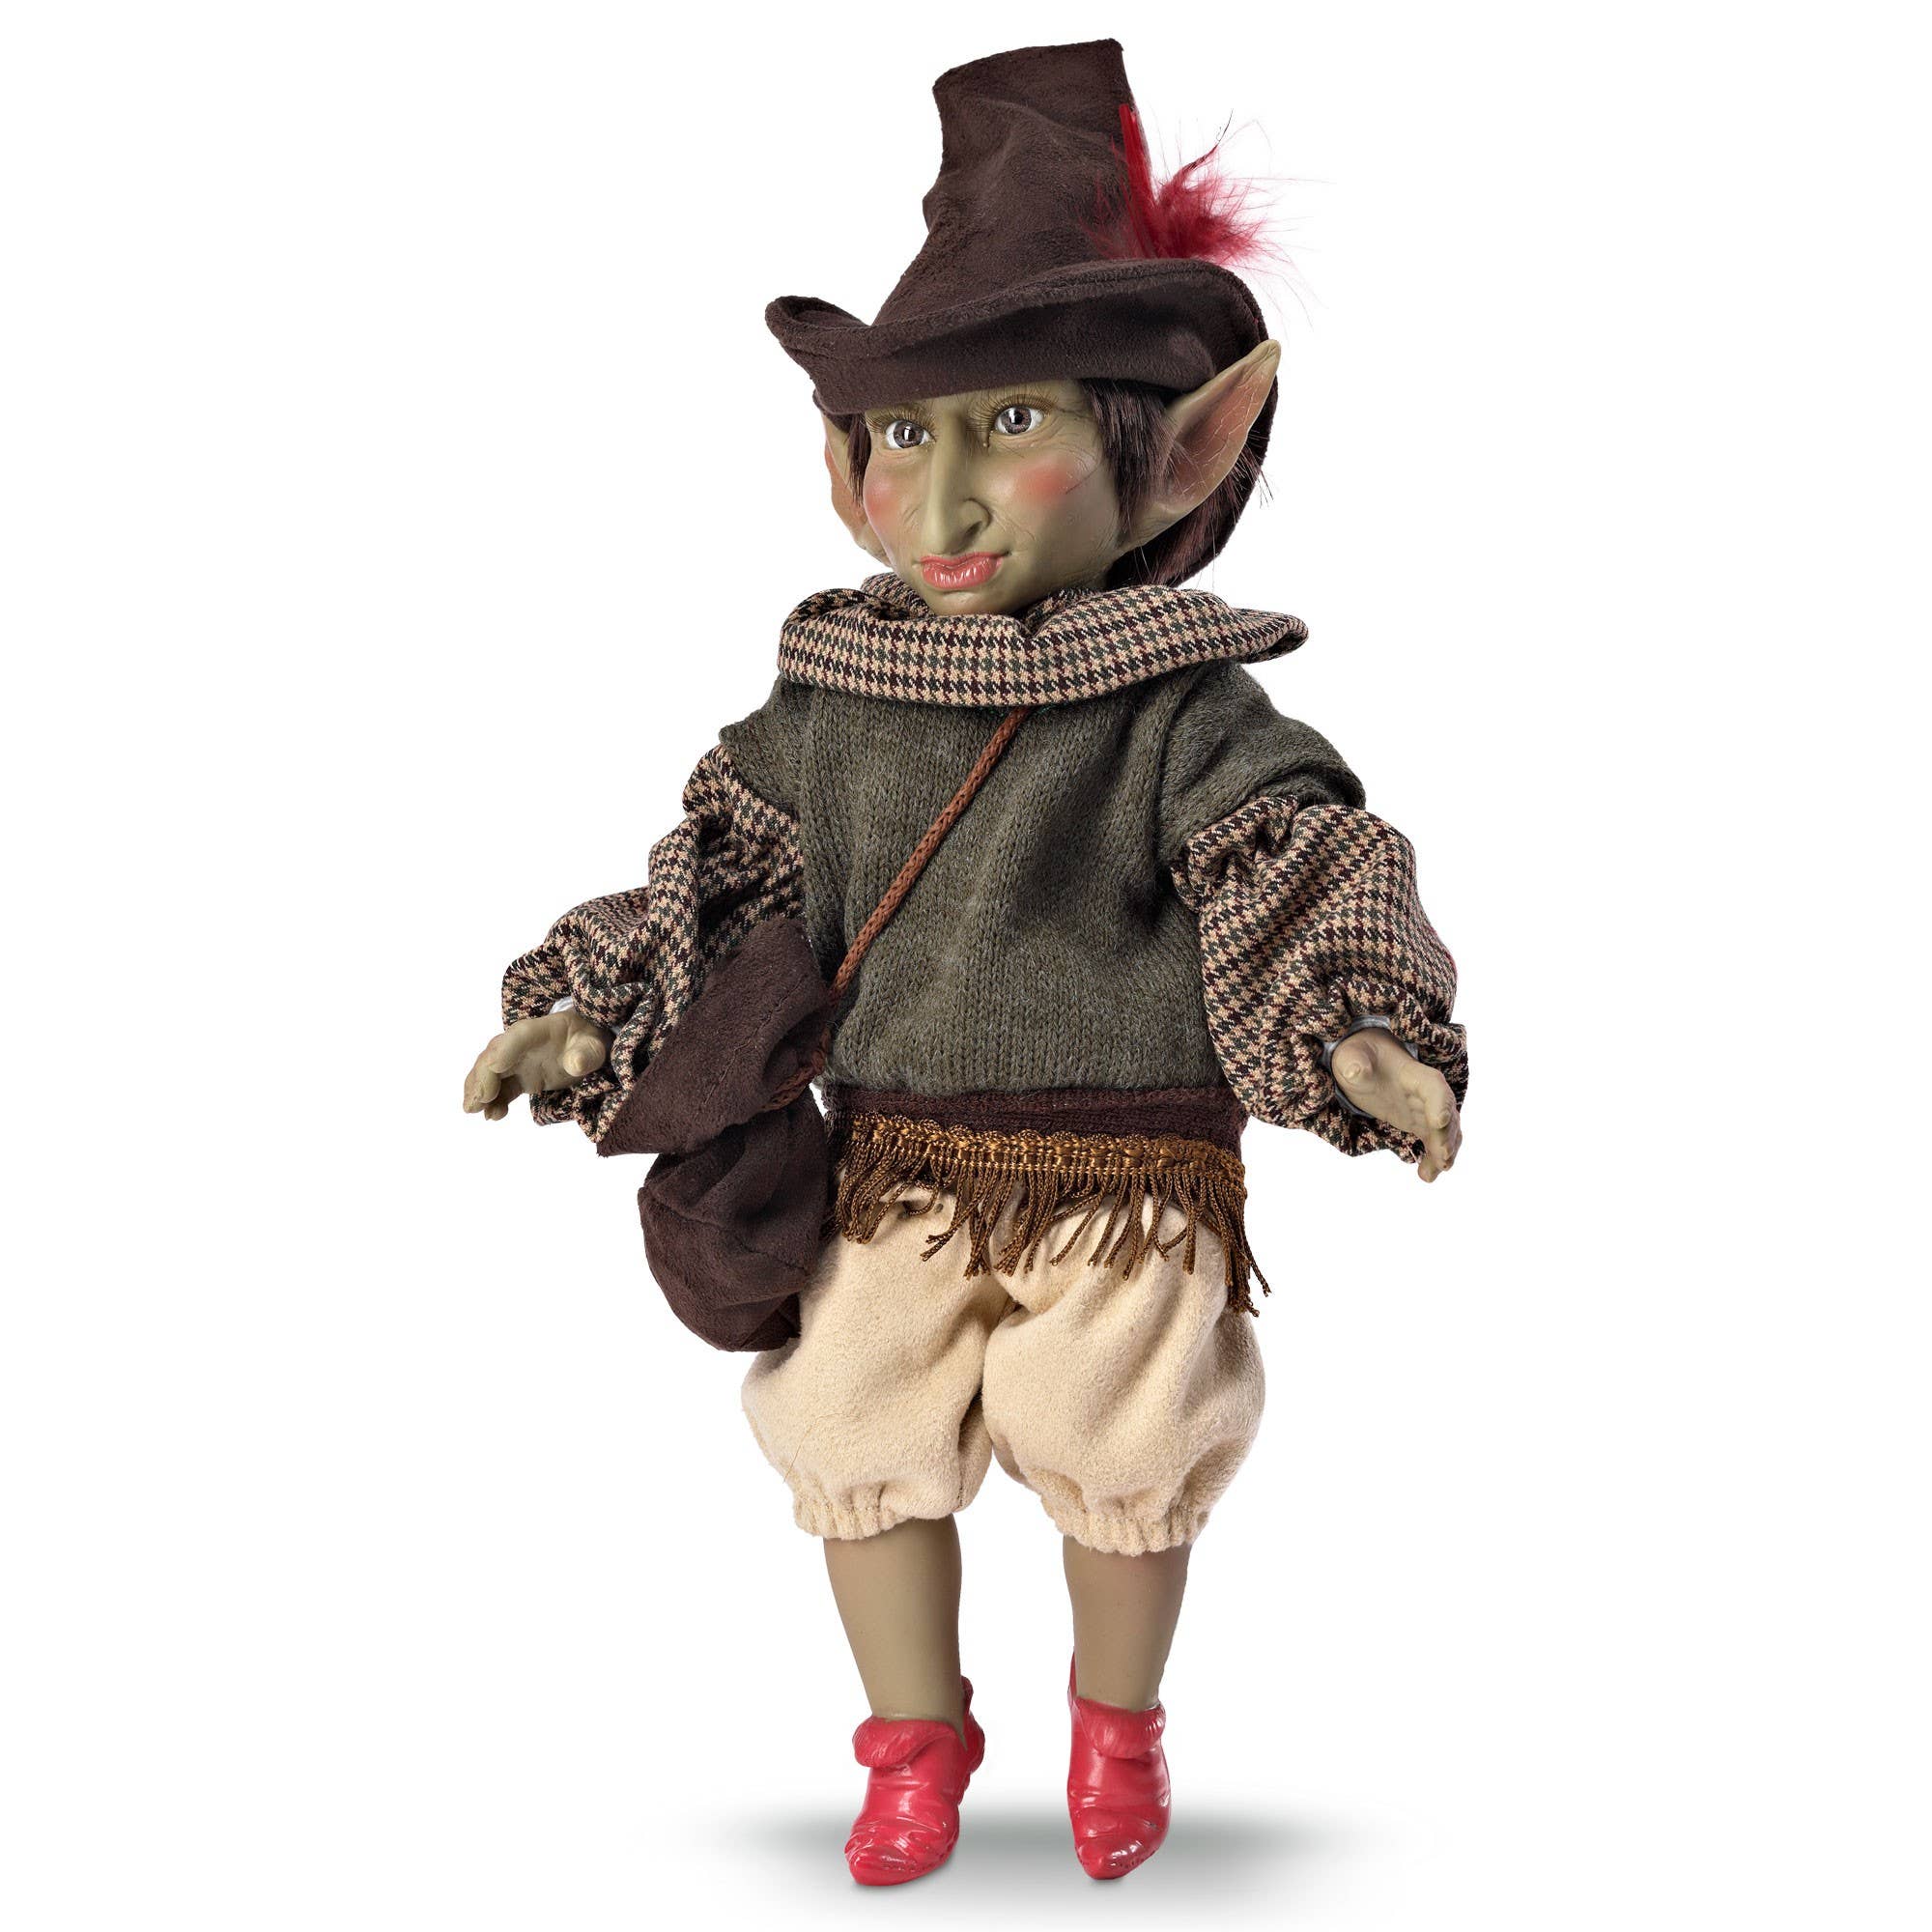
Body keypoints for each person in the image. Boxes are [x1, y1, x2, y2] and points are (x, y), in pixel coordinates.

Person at [464, 37, 1465, 1888]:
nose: (945, 503)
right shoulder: (833, 709)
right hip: (893, 1170)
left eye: (1013, 424)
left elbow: (1292, 858)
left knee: (1123, 1450)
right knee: (853, 1435)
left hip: (1125, 1183)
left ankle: (1118, 1727)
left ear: (1177, 455)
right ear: (844, 468)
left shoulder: (1182, 712)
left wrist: (1359, 1027)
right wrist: (586, 1004)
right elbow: (727, 880)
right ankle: (911, 1740)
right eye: (907, 437)